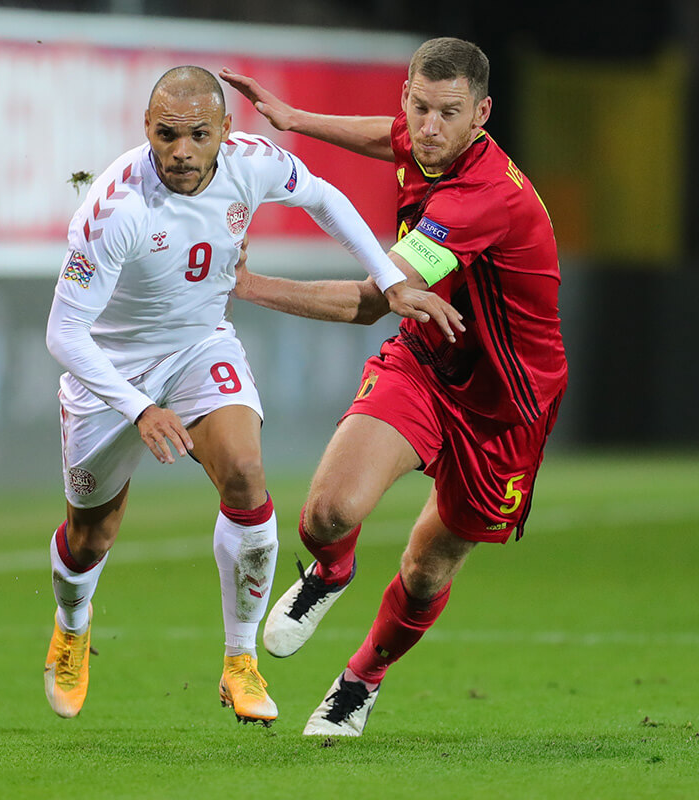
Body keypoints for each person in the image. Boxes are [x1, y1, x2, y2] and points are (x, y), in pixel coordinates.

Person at [42, 65, 461, 726]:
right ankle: (72, 626)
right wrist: (140, 408)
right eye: (167, 133)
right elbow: (63, 333)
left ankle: (240, 662)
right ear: (146, 130)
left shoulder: (251, 164)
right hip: (111, 370)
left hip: (199, 345)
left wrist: (388, 277)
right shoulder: (114, 208)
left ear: (225, 132)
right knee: (90, 537)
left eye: (198, 134)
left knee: (245, 475)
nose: (181, 149)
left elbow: (324, 198)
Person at [220, 36, 568, 736]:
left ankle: (361, 678)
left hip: (505, 408)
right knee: (325, 515)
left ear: (483, 114)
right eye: (420, 107)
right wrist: (293, 118)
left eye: (449, 113)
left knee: (426, 568)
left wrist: (244, 284)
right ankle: (332, 571)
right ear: (407, 95)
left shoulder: (481, 199)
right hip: (428, 361)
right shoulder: (426, 136)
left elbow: (370, 301)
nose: (429, 128)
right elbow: (394, 139)